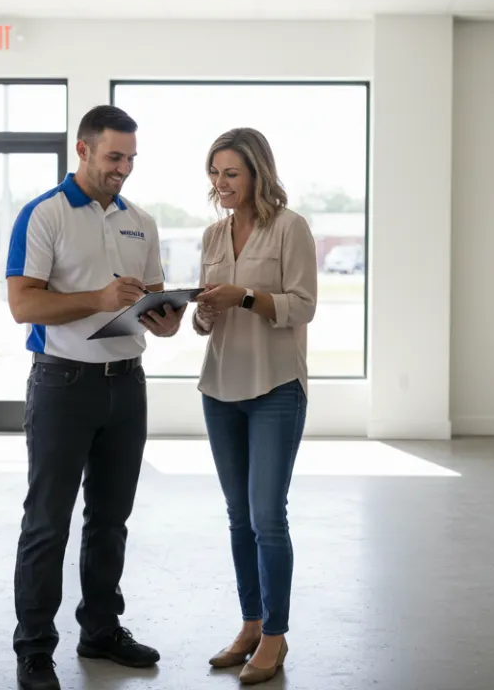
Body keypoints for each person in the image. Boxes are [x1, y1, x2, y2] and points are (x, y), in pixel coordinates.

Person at [5, 104, 183, 690]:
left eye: (131, 158)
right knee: (47, 523)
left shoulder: (142, 221)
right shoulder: (43, 215)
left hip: (127, 384)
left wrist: (163, 318)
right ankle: (34, 650)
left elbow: (154, 301)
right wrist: (98, 299)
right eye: (114, 157)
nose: (124, 168)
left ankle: (101, 630)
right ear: (81, 150)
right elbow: (24, 306)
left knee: (110, 520)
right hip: (62, 384)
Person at [192, 127, 318, 685]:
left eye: (231, 173)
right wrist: (200, 314)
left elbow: (303, 305)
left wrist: (243, 296)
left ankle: (275, 635)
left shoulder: (291, 229)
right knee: (238, 517)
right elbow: (203, 318)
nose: (221, 183)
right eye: (215, 173)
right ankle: (250, 623)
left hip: (276, 388)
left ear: (257, 173)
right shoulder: (212, 236)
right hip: (219, 389)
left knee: (268, 516)